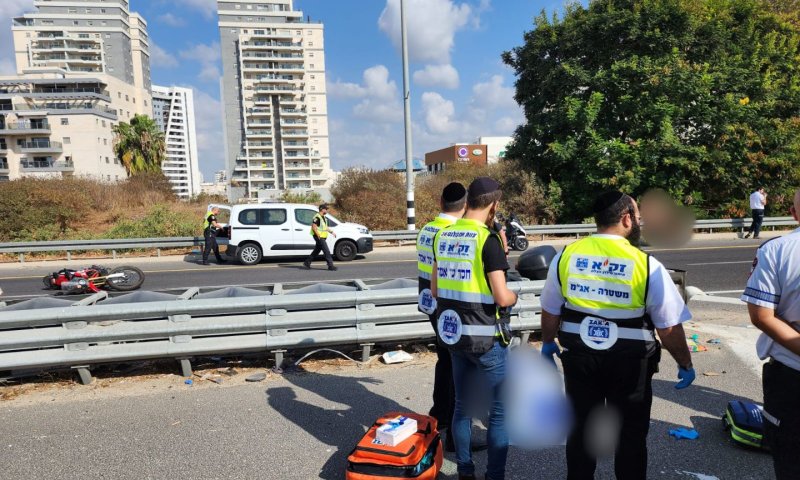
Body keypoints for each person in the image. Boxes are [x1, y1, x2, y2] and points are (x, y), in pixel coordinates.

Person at [539, 190, 695, 480]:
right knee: (631, 436)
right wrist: (685, 363)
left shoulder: (566, 256)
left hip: (580, 358)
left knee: (582, 431)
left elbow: (550, 310)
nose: (639, 222)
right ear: (626, 219)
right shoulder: (646, 265)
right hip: (630, 364)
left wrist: (548, 342)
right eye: (637, 217)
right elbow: (669, 327)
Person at [431, 177, 518, 480]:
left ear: (468, 201)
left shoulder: (442, 236)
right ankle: (494, 475)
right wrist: (514, 295)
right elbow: (501, 296)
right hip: (486, 339)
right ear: (494, 204)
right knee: (498, 413)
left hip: (454, 336)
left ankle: (465, 471)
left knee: (462, 409)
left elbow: (434, 287)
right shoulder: (488, 240)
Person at [741, 188, 800, 480]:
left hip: (790, 374)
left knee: (790, 461)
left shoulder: (776, 249)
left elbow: (762, 316)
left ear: (793, 213)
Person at [417, 182, 467, 452]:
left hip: (429, 304)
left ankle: (440, 416)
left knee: (445, 361)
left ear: (440, 202)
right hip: (449, 308)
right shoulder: (453, 232)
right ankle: (455, 436)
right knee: (458, 367)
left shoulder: (427, 228)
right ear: (466, 205)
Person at [303, 203, 337, 271]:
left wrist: (331, 232)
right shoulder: (317, 217)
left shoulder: (323, 217)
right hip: (319, 236)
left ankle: (307, 262)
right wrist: (318, 235)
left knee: (317, 250)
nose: (327, 210)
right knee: (326, 251)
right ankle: (330, 266)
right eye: (326, 209)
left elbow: (325, 227)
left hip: (322, 236)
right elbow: (314, 226)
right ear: (322, 209)